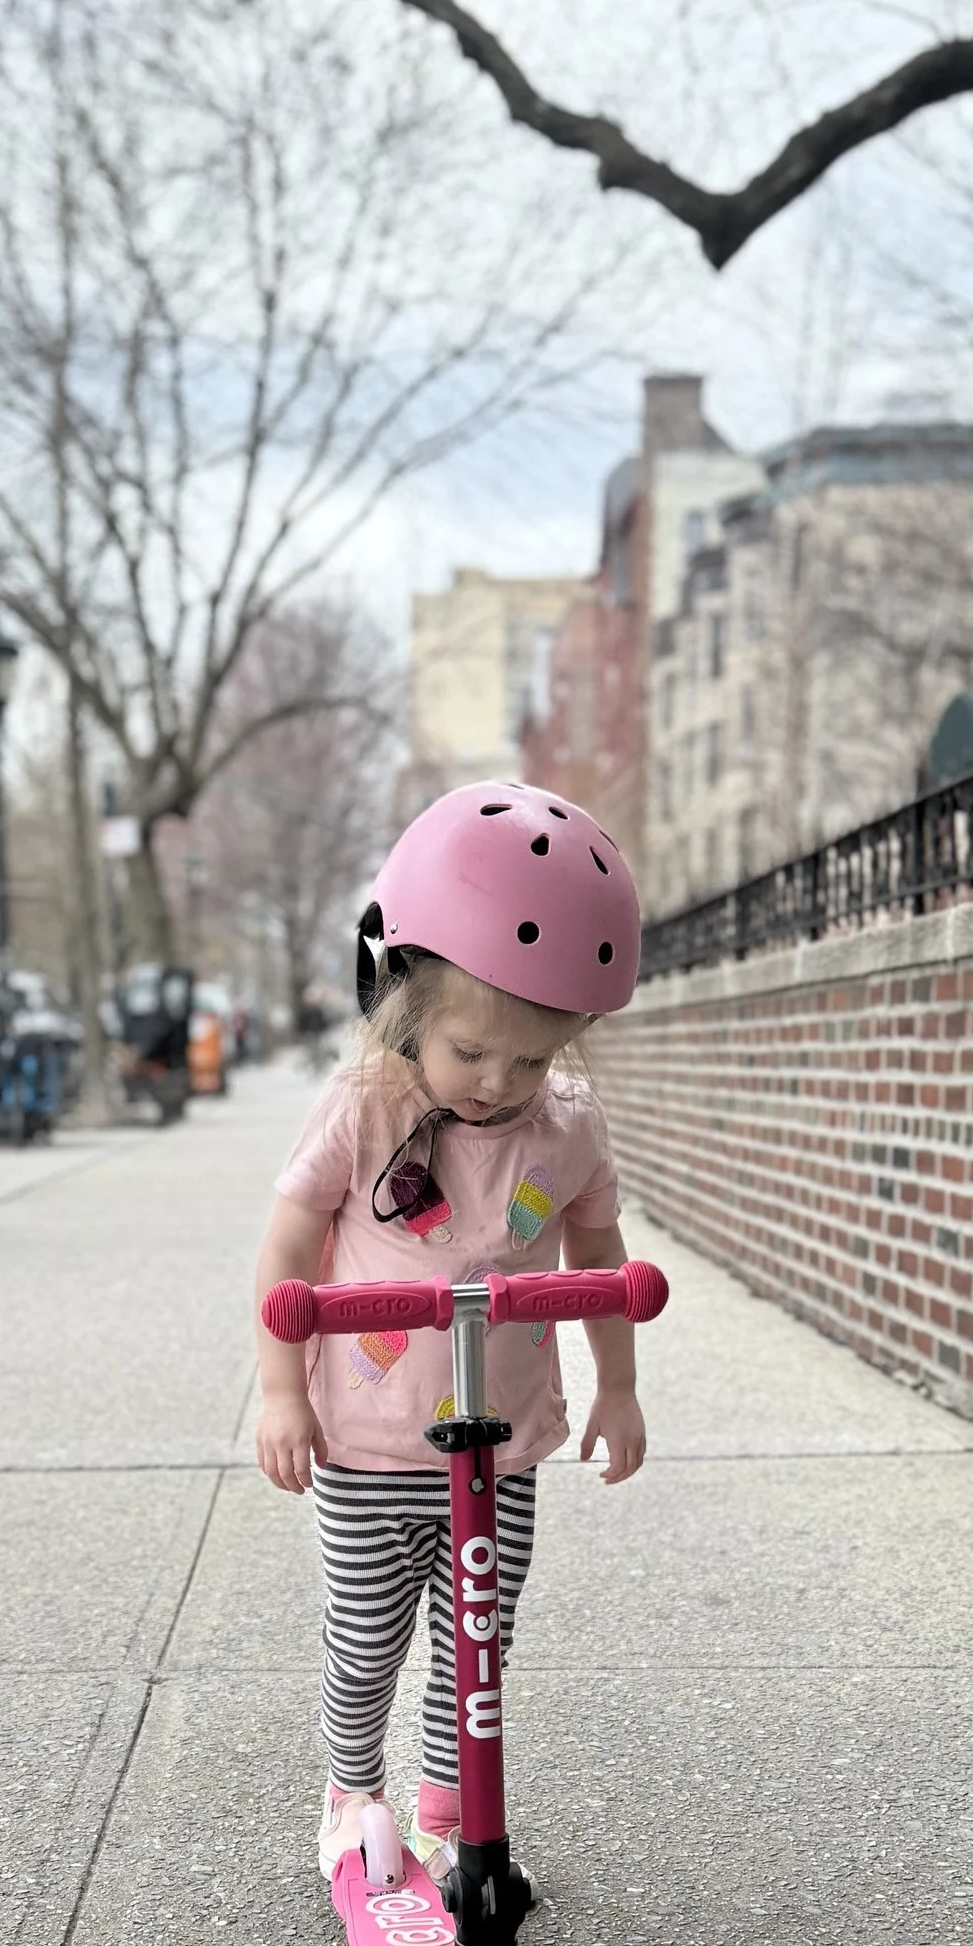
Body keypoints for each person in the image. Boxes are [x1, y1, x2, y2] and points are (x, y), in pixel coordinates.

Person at [252, 780, 647, 1882]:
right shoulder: (364, 1108)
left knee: (478, 1647)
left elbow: (600, 1261)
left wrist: (617, 1387)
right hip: (371, 1446)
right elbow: (286, 1255)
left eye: (533, 1058)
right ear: (407, 1004)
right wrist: (281, 1391)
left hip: (501, 1441)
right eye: (473, 1050)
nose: (500, 1082)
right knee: (370, 1638)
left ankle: (447, 1812)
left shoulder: (566, 1127)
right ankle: (351, 1794)